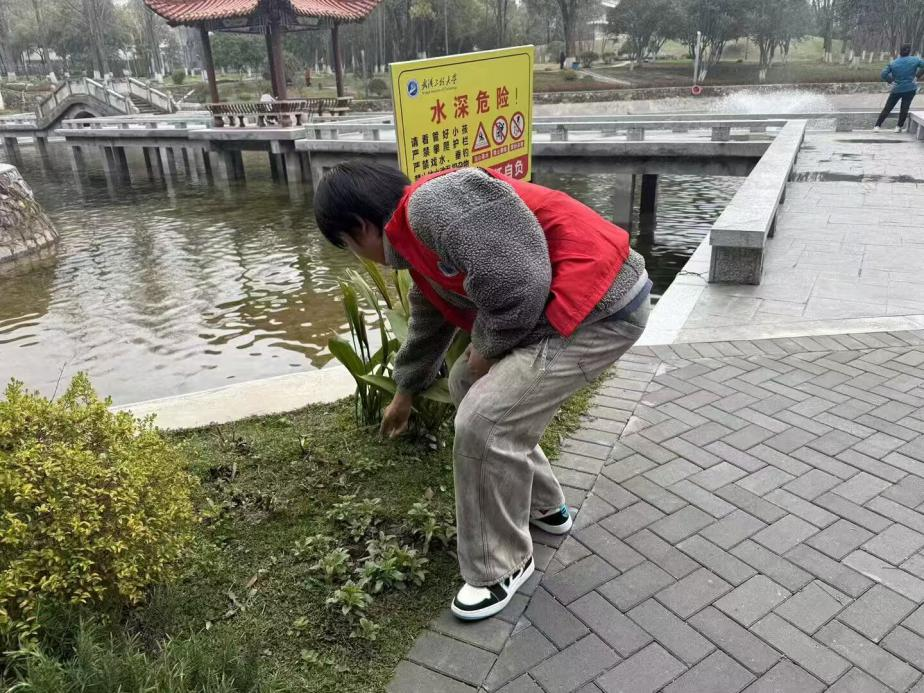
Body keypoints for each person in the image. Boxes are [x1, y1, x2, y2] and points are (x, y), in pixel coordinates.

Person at [314, 163, 650, 621]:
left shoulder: (431, 206)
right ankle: (545, 506)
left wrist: (488, 349)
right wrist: (405, 393)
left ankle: (501, 565)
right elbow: (428, 321)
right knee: (464, 382)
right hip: (578, 303)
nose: (359, 256)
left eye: (348, 246)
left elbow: (519, 283)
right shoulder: (418, 242)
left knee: (483, 422)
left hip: (602, 306)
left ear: (360, 228)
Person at [875, 43, 924, 132]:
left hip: (897, 89)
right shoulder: (915, 60)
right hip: (910, 89)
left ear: (900, 51)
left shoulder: (894, 63)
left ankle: (877, 126)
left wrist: (891, 81)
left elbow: (883, 74)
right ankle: (898, 127)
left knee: (888, 107)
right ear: (909, 51)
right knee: (904, 108)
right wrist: (917, 76)